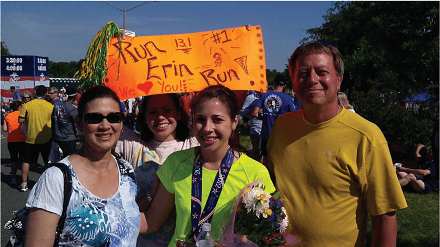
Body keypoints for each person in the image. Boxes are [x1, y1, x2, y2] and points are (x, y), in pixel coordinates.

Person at [267, 41, 407, 246]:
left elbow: (385, 215)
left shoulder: (366, 136)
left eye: (322, 72)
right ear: (293, 81)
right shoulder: (281, 127)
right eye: (303, 73)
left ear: (339, 80)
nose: (312, 79)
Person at [139, 85, 276, 247]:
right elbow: (151, 222)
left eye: (217, 120)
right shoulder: (176, 163)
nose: (207, 128)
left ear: (234, 122)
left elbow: (263, 239)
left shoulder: (255, 172)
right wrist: (109, 215)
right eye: (200, 120)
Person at [25, 86, 140, 246]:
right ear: (79, 124)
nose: (105, 125)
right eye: (94, 118)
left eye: (114, 117)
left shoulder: (126, 170)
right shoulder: (56, 178)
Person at [114, 93, 199, 246]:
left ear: (179, 114)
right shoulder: (133, 146)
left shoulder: (192, 146)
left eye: (167, 110)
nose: (160, 117)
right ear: (144, 117)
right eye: (153, 112)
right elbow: (107, 120)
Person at [251, 75, 297, 165]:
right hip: (281, 134)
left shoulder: (265, 95)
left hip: (266, 133)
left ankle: (267, 178)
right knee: (279, 161)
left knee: (266, 160)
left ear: (274, 83)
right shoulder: (288, 98)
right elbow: (293, 115)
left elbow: (254, 113)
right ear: (284, 86)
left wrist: (264, 118)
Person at [18, 85, 54, 192]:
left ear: (35, 93)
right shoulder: (50, 106)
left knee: (26, 161)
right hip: (46, 136)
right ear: (45, 93)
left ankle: (24, 184)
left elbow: (20, 121)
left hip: (31, 137)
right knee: (48, 162)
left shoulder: (27, 105)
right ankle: (49, 185)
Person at [2, 101, 26, 185]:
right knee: (24, 160)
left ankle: (14, 177)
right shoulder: (23, 115)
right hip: (23, 139)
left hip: (12, 140)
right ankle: (25, 178)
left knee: (13, 160)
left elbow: (4, 129)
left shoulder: (8, 116)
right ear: (19, 107)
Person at [51, 86, 78, 157]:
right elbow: (78, 121)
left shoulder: (57, 105)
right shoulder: (72, 108)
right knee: (70, 159)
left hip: (57, 137)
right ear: (75, 96)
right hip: (68, 138)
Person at [239, 90, 262, 160]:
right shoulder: (251, 97)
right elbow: (241, 111)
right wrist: (254, 111)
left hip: (268, 129)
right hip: (256, 129)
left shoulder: (269, 97)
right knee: (256, 153)